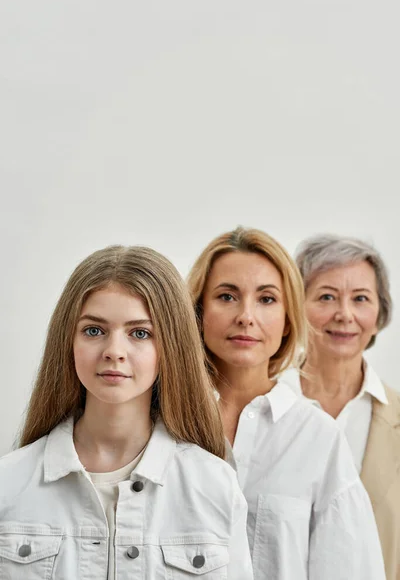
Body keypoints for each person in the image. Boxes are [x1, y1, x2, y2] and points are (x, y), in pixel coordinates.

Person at [0, 245, 253, 580]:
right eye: (94, 330)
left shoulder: (214, 486)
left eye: (140, 333)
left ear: (170, 347)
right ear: (68, 341)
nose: (114, 351)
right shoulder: (9, 483)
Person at [187, 226, 385, 580]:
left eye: (266, 299)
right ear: (198, 311)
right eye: (227, 296)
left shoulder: (318, 437)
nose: (246, 316)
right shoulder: (162, 422)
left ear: (288, 320)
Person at [279, 233, 400, 580]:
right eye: (326, 297)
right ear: (295, 307)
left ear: (379, 315)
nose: (344, 314)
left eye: (360, 298)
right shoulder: (263, 409)